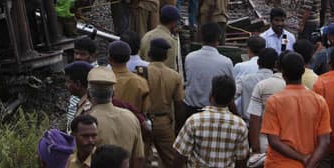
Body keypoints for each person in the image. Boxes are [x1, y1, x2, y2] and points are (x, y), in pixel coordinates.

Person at [261, 52, 331, 167]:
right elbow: (324, 142)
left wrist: (302, 158)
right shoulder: (319, 101)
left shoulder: (274, 101)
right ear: (303, 71)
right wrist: (309, 163)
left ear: (282, 73)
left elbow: (274, 141)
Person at [173, 75, 249, 168]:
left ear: (211, 95)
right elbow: (241, 161)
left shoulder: (194, 121)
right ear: (231, 99)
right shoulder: (240, 125)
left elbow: (180, 156)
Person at [87, 67, 144, 168]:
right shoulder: (131, 117)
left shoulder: (87, 123)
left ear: (88, 94)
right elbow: (138, 158)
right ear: (113, 94)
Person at [144, 38, 185, 167]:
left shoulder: (141, 72)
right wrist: (178, 126)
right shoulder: (175, 76)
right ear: (166, 56)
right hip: (164, 122)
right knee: (172, 160)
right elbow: (179, 104)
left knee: (141, 159)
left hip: (144, 121)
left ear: (149, 54)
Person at [183, 22, 234, 118]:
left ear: (201, 37)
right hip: (214, 113)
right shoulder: (226, 62)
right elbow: (230, 89)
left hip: (190, 111)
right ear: (218, 38)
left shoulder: (189, 58)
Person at [107, 41, 150, 114]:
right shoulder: (141, 82)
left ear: (109, 59)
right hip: (134, 123)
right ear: (128, 58)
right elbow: (145, 110)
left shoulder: (104, 80)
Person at [237, 47, 277, 121]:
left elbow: (229, 96)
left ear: (258, 62)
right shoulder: (280, 83)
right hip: (270, 127)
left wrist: (237, 114)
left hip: (247, 123)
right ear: (275, 64)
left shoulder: (244, 79)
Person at [139, 5, 181, 71]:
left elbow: (140, 58)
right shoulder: (170, 41)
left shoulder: (147, 35)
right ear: (173, 22)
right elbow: (170, 68)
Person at [65, 61, 94, 133]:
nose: (66, 85)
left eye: (68, 81)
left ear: (78, 84)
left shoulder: (87, 107)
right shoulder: (86, 101)